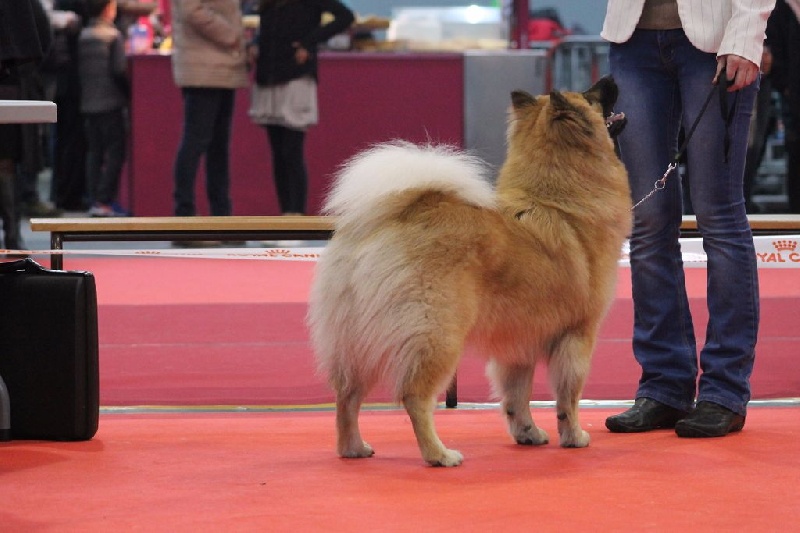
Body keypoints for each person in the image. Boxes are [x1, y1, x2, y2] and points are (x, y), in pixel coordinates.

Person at [602, 0, 774, 438]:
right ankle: (663, 386)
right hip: (632, 40)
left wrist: (746, 34)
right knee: (648, 220)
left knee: (719, 216)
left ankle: (724, 391)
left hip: (717, 40)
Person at [248, 0, 354, 216]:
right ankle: (286, 214)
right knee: (278, 153)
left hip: (295, 75)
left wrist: (309, 42)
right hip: (268, 77)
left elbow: (345, 16)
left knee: (291, 151)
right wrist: (256, 43)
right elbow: (267, 28)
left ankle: (296, 213)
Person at [169, 0, 248, 219]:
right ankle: (184, 211)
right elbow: (191, 10)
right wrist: (231, 35)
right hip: (203, 69)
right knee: (195, 141)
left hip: (222, 68)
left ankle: (221, 214)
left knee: (218, 147)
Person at [0, 0, 52, 251]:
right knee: (6, 161)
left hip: (12, 81)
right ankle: (12, 233)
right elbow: (42, 34)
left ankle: (12, 232)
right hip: (12, 81)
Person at [78, 0, 128, 217]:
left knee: (94, 153)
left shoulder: (83, 35)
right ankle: (105, 199)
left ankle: (93, 199)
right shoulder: (113, 36)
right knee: (115, 153)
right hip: (111, 102)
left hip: (88, 103)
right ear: (108, 9)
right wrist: (128, 93)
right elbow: (119, 70)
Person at [767, 0, 800, 213]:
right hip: (794, 101)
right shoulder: (781, 7)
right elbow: (774, 54)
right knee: (796, 158)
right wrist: (787, 88)